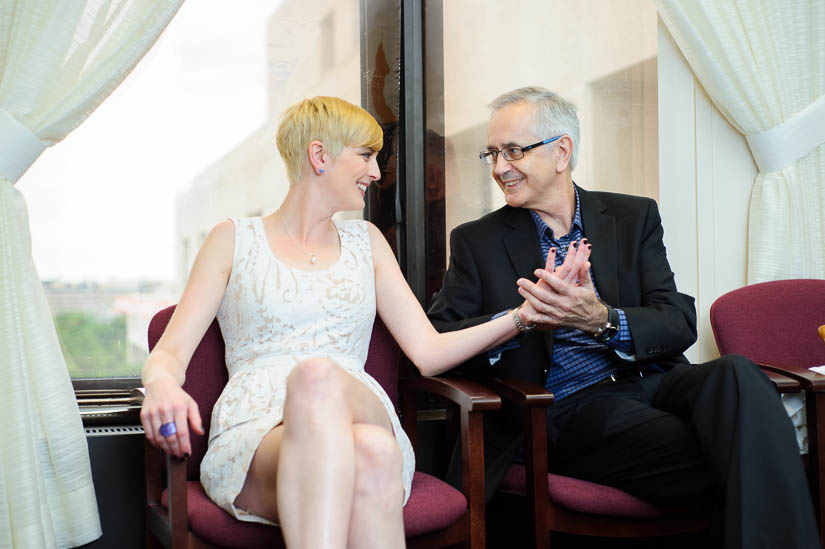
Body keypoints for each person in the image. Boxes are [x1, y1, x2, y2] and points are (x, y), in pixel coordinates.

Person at [426, 86, 819, 548]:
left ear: (562, 152)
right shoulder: (478, 240)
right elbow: (440, 338)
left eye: (513, 151)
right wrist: (523, 319)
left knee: (738, 375)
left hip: (654, 381)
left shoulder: (633, 216)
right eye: (492, 154)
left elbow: (677, 320)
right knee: (756, 446)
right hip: (570, 404)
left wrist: (602, 319)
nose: (499, 168)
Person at [140, 96, 525, 549]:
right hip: (256, 433)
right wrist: (162, 384)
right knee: (374, 451)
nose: (378, 173)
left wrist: (522, 317)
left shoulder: (368, 243)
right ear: (319, 156)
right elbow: (170, 352)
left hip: (359, 405)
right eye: (366, 155)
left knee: (319, 376)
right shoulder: (232, 241)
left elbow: (430, 352)